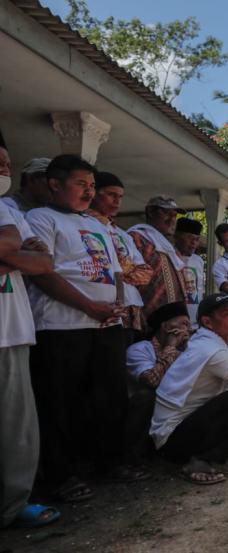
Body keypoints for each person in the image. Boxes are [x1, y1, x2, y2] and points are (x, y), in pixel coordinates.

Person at [26, 154, 146, 504]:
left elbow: (115, 272)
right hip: (62, 326)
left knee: (110, 397)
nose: (89, 192)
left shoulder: (96, 225)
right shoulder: (39, 219)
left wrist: (117, 305)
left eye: (92, 186)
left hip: (107, 324)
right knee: (61, 404)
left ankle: (109, 462)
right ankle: (63, 476)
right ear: (55, 184)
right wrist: (90, 307)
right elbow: (43, 273)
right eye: (82, 184)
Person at [150, 294, 228, 484]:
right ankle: (199, 460)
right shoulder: (208, 348)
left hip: (188, 428)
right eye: (227, 314)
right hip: (171, 440)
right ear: (207, 322)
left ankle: (209, 451)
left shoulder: (225, 343)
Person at [0, 153, 59, 528]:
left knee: (16, 427)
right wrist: (16, 256)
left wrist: (15, 257)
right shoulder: (8, 209)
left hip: (10, 330)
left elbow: (44, 263)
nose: (4, 168)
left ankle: (11, 506)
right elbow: (12, 249)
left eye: (6, 160)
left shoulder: (11, 213)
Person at [88, 171, 152, 342]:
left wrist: (119, 268)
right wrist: (127, 267)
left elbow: (146, 273)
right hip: (105, 307)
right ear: (94, 194)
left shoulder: (122, 234)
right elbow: (102, 266)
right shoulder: (87, 226)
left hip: (132, 309)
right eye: (111, 195)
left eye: (120, 197)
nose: (117, 201)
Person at [124, 301, 190, 461]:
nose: (188, 330)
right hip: (137, 417)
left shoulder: (185, 351)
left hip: (169, 413)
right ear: (167, 327)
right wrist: (171, 347)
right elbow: (152, 381)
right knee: (147, 396)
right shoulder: (139, 349)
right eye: (184, 324)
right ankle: (131, 458)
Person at [129, 196, 187, 318]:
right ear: (150, 212)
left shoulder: (168, 247)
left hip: (172, 319)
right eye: (166, 213)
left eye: (174, 215)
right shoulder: (136, 238)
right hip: (148, 317)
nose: (171, 219)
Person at [174, 218, 206, 328]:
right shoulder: (168, 256)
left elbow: (200, 290)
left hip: (195, 319)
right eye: (189, 238)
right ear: (177, 237)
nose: (193, 243)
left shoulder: (198, 261)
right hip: (175, 319)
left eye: (197, 239)